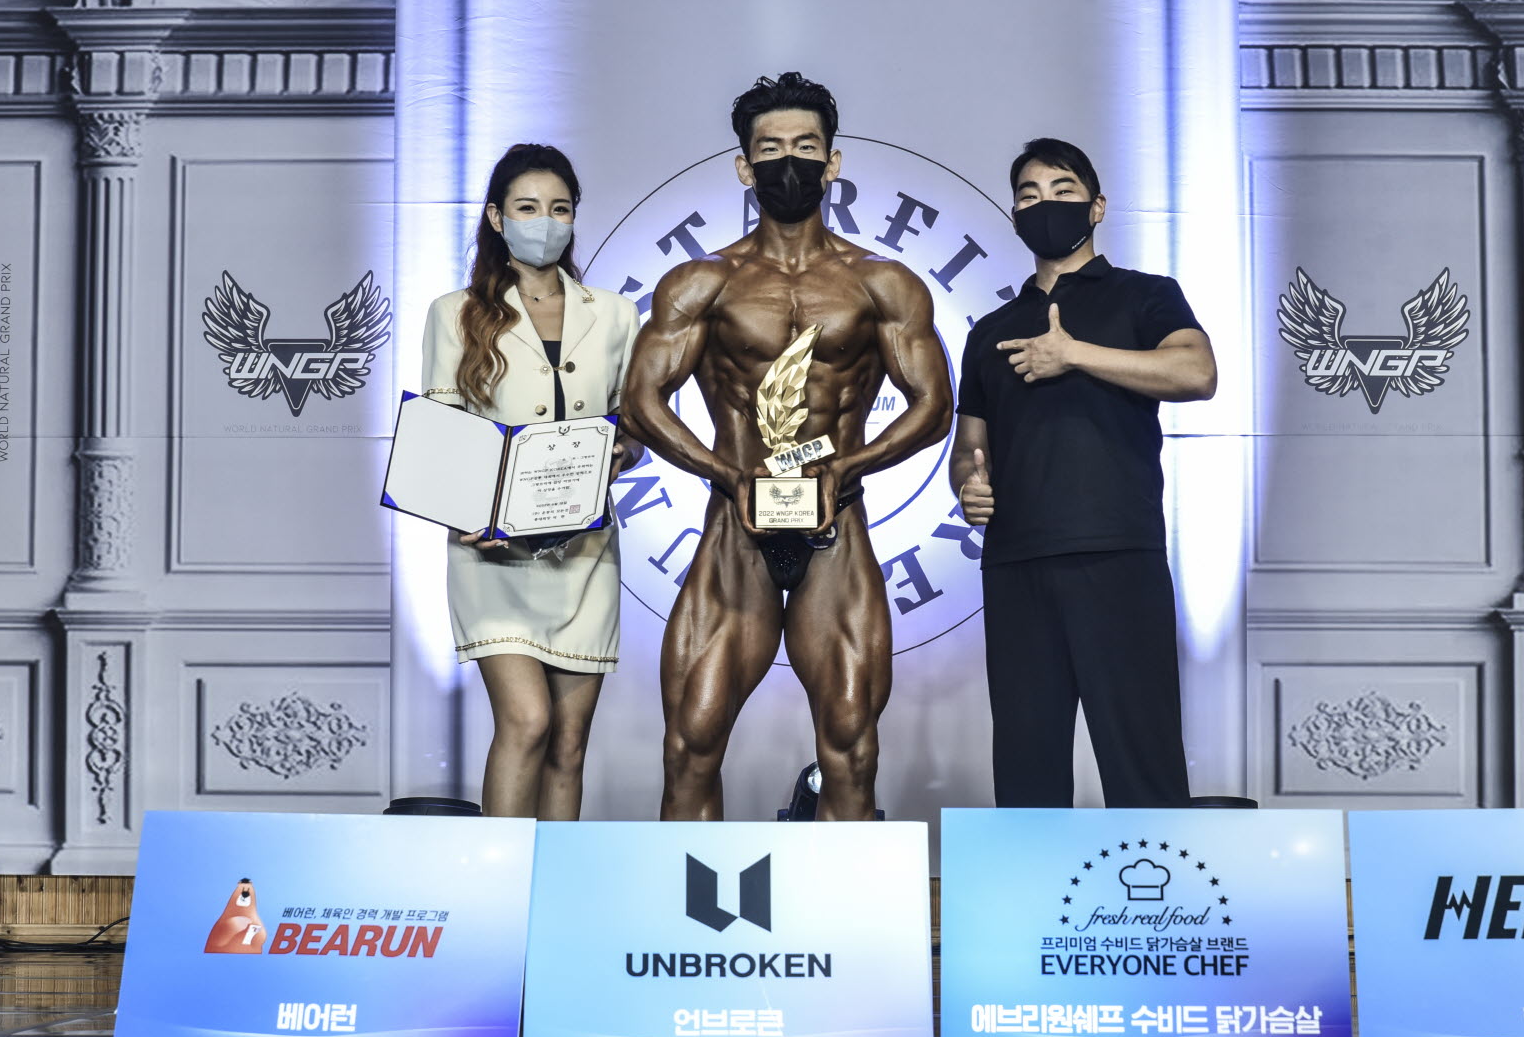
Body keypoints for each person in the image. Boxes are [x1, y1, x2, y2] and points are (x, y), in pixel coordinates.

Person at [622, 72, 953, 821]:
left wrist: (849, 466)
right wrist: (725, 472)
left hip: (837, 524)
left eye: (806, 146)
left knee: (851, 743)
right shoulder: (701, 282)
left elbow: (934, 405)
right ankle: (689, 899)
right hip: (733, 526)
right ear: (745, 167)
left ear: (832, 163)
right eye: (770, 149)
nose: (789, 161)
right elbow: (641, 399)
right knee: (690, 743)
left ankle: (839, 899)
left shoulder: (883, 283)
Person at [949, 137, 1217, 808]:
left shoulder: (1146, 296)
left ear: (1097, 207)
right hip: (1015, 564)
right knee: (1026, 770)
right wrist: (968, 487)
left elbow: (1197, 372)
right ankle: (1029, 882)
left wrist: (1075, 355)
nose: (1046, 204)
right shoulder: (990, 330)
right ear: (1015, 216)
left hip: (1117, 553)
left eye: (1063, 191)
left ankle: (1158, 882)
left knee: (1143, 765)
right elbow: (969, 443)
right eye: (1030, 196)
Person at [420, 143, 641, 819]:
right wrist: (469, 511)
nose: (544, 221)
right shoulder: (454, 312)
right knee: (526, 721)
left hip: (584, 554)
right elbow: (439, 433)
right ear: (496, 217)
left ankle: (554, 880)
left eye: (559, 208)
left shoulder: (616, 313)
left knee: (569, 744)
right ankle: (504, 874)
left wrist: (620, 452)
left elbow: (634, 424)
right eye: (527, 207)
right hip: (492, 555)